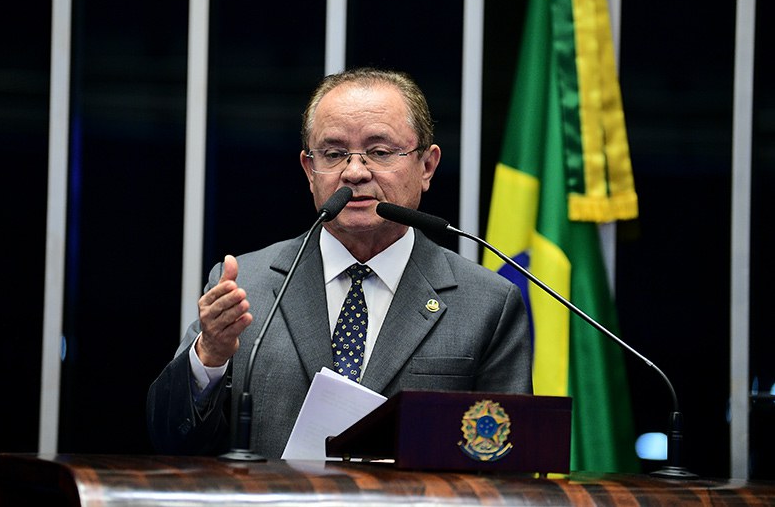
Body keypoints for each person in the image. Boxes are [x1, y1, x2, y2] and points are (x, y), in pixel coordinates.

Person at [146, 67, 532, 458]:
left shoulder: (487, 303)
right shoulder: (247, 287)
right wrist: (209, 355)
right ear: (309, 170)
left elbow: (505, 465)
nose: (354, 172)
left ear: (427, 166)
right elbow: (171, 439)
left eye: (380, 152)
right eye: (332, 154)